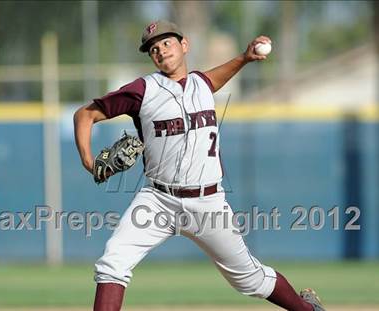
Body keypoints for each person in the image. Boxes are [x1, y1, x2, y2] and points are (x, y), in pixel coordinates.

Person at [74, 20, 325, 311]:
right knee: (113, 261)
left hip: (208, 202)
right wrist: (90, 162)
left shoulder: (202, 84)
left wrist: (244, 58)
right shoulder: (143, 90)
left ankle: (309, 310)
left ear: (184, 45)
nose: (160, 50)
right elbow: (84, 115)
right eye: (153, 48)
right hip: (158, 200)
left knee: (250, 280)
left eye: (167, 42)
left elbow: (214, 78)